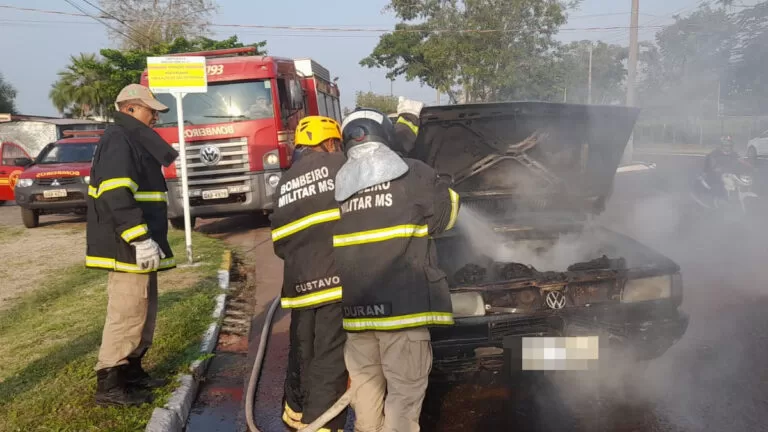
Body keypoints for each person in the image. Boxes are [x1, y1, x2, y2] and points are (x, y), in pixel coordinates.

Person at [332, 108, 461, 432]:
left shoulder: (341, 185)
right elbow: (447, 218)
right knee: (404, 395)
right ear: (386, 135)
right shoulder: (414, 173)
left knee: (366, 391)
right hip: (402, 313)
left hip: (358, 313)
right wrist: (443, 183)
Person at [86, 84, 179, 406]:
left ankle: (132, 372)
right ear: (129, 109)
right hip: (127, 244)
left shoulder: (131, 139)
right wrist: (138, 237)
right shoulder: (119, 139)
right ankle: (109, 384)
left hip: (139, 241)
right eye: (150, 110)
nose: (155, 116)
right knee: (126, 313)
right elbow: (115, 193)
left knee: (142, 310)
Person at [270, 115, 349, 431]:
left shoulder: (285, 182)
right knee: (330, 360)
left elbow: (279, 244)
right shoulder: (341, 165)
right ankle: (322, 425)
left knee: (304, 352)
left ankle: (296, 415)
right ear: (331, 142)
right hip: (335, 283)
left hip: (299, 288)